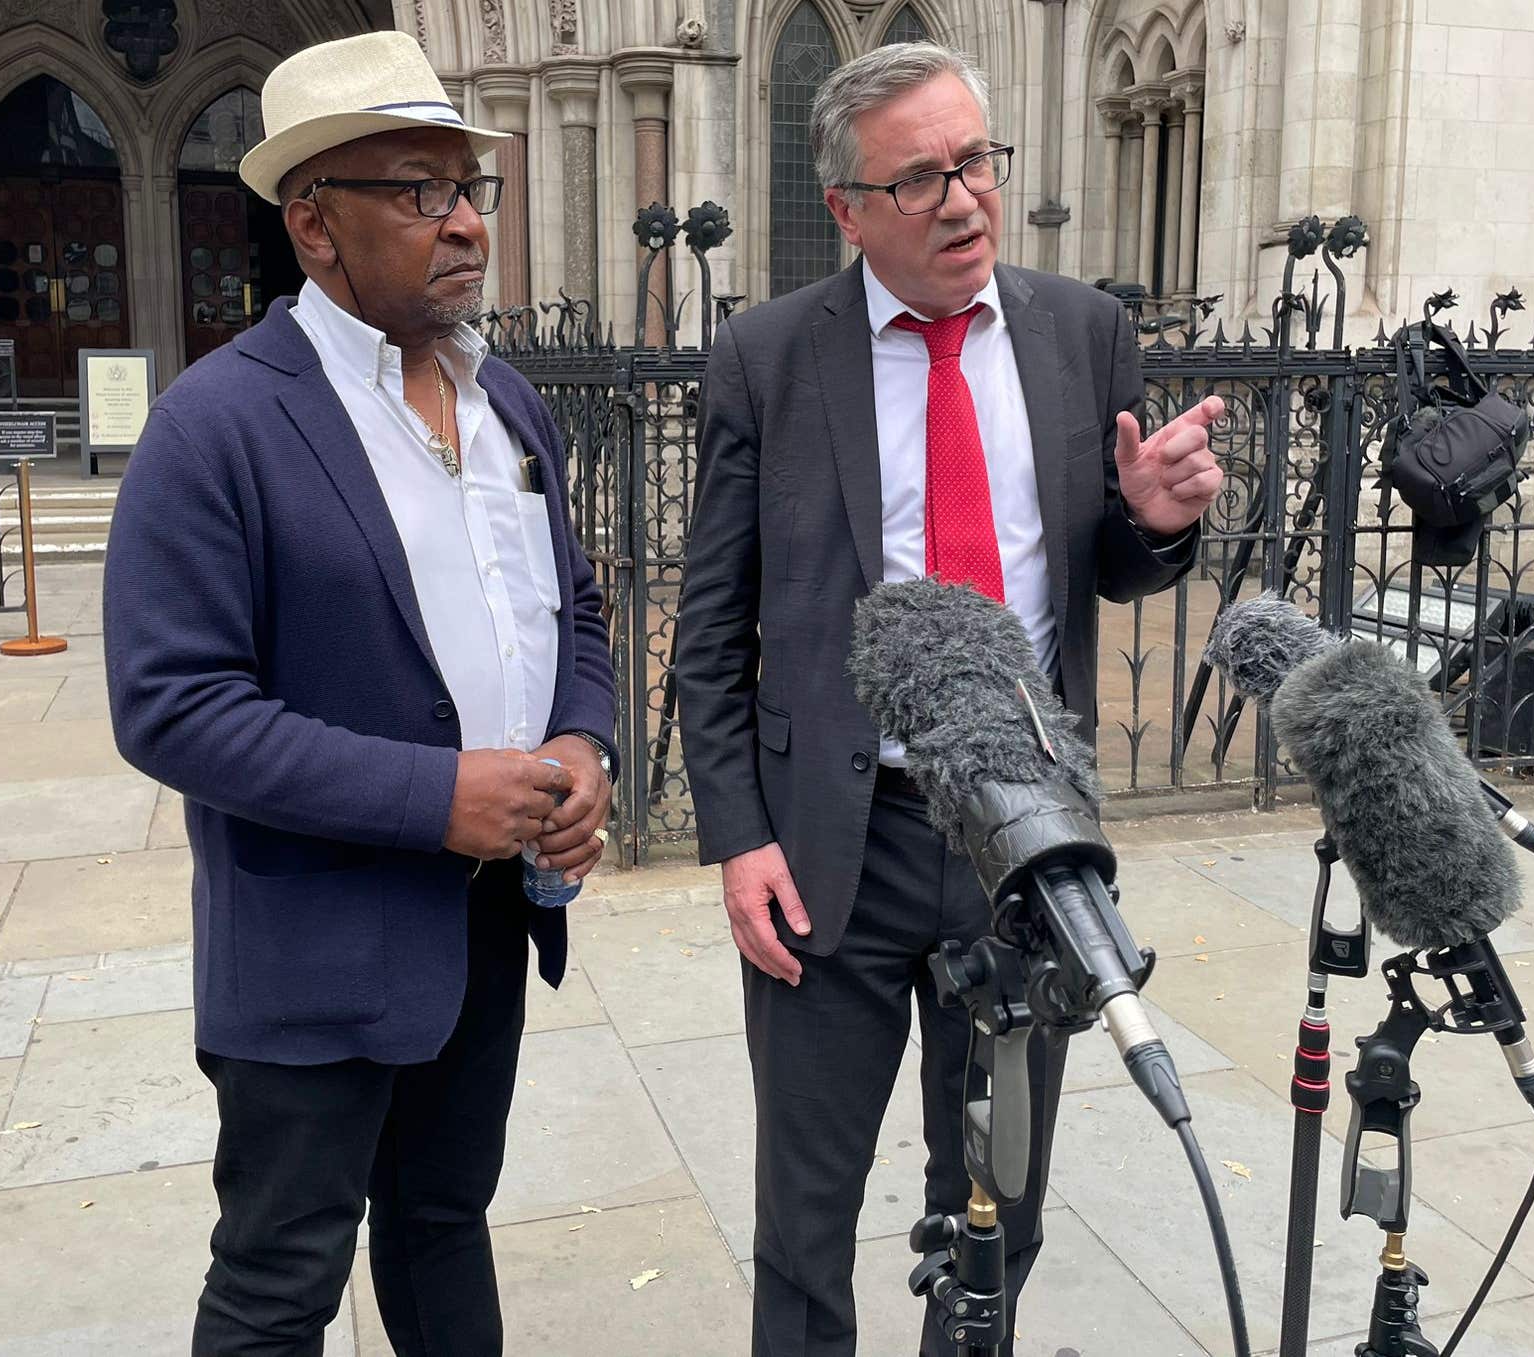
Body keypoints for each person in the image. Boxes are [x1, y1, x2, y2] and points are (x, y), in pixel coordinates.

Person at [675, 41, 1226, 1357]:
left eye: (976, 160)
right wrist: (739, 836)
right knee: (805, 1220)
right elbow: (710, 628)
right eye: (920, 178)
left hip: (1023, 842)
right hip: (832, 846)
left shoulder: (1084, 333)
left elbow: (1106, 560)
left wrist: (1154, 524)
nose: (965, 198)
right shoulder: (767, 357)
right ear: (848, 209)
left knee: (997, 1206)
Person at [103, 30, 617, 1357]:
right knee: (282, 1277)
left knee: (443, 1221)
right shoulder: (218, 425)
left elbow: (575, 607)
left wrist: (583, 738)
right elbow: (172, 705)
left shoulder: (508, 405)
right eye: (421, 191)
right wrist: (434, 796)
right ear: (314, 223)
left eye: (470, 188)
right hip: (313, 939)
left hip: (485, 923)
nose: (467, 224)